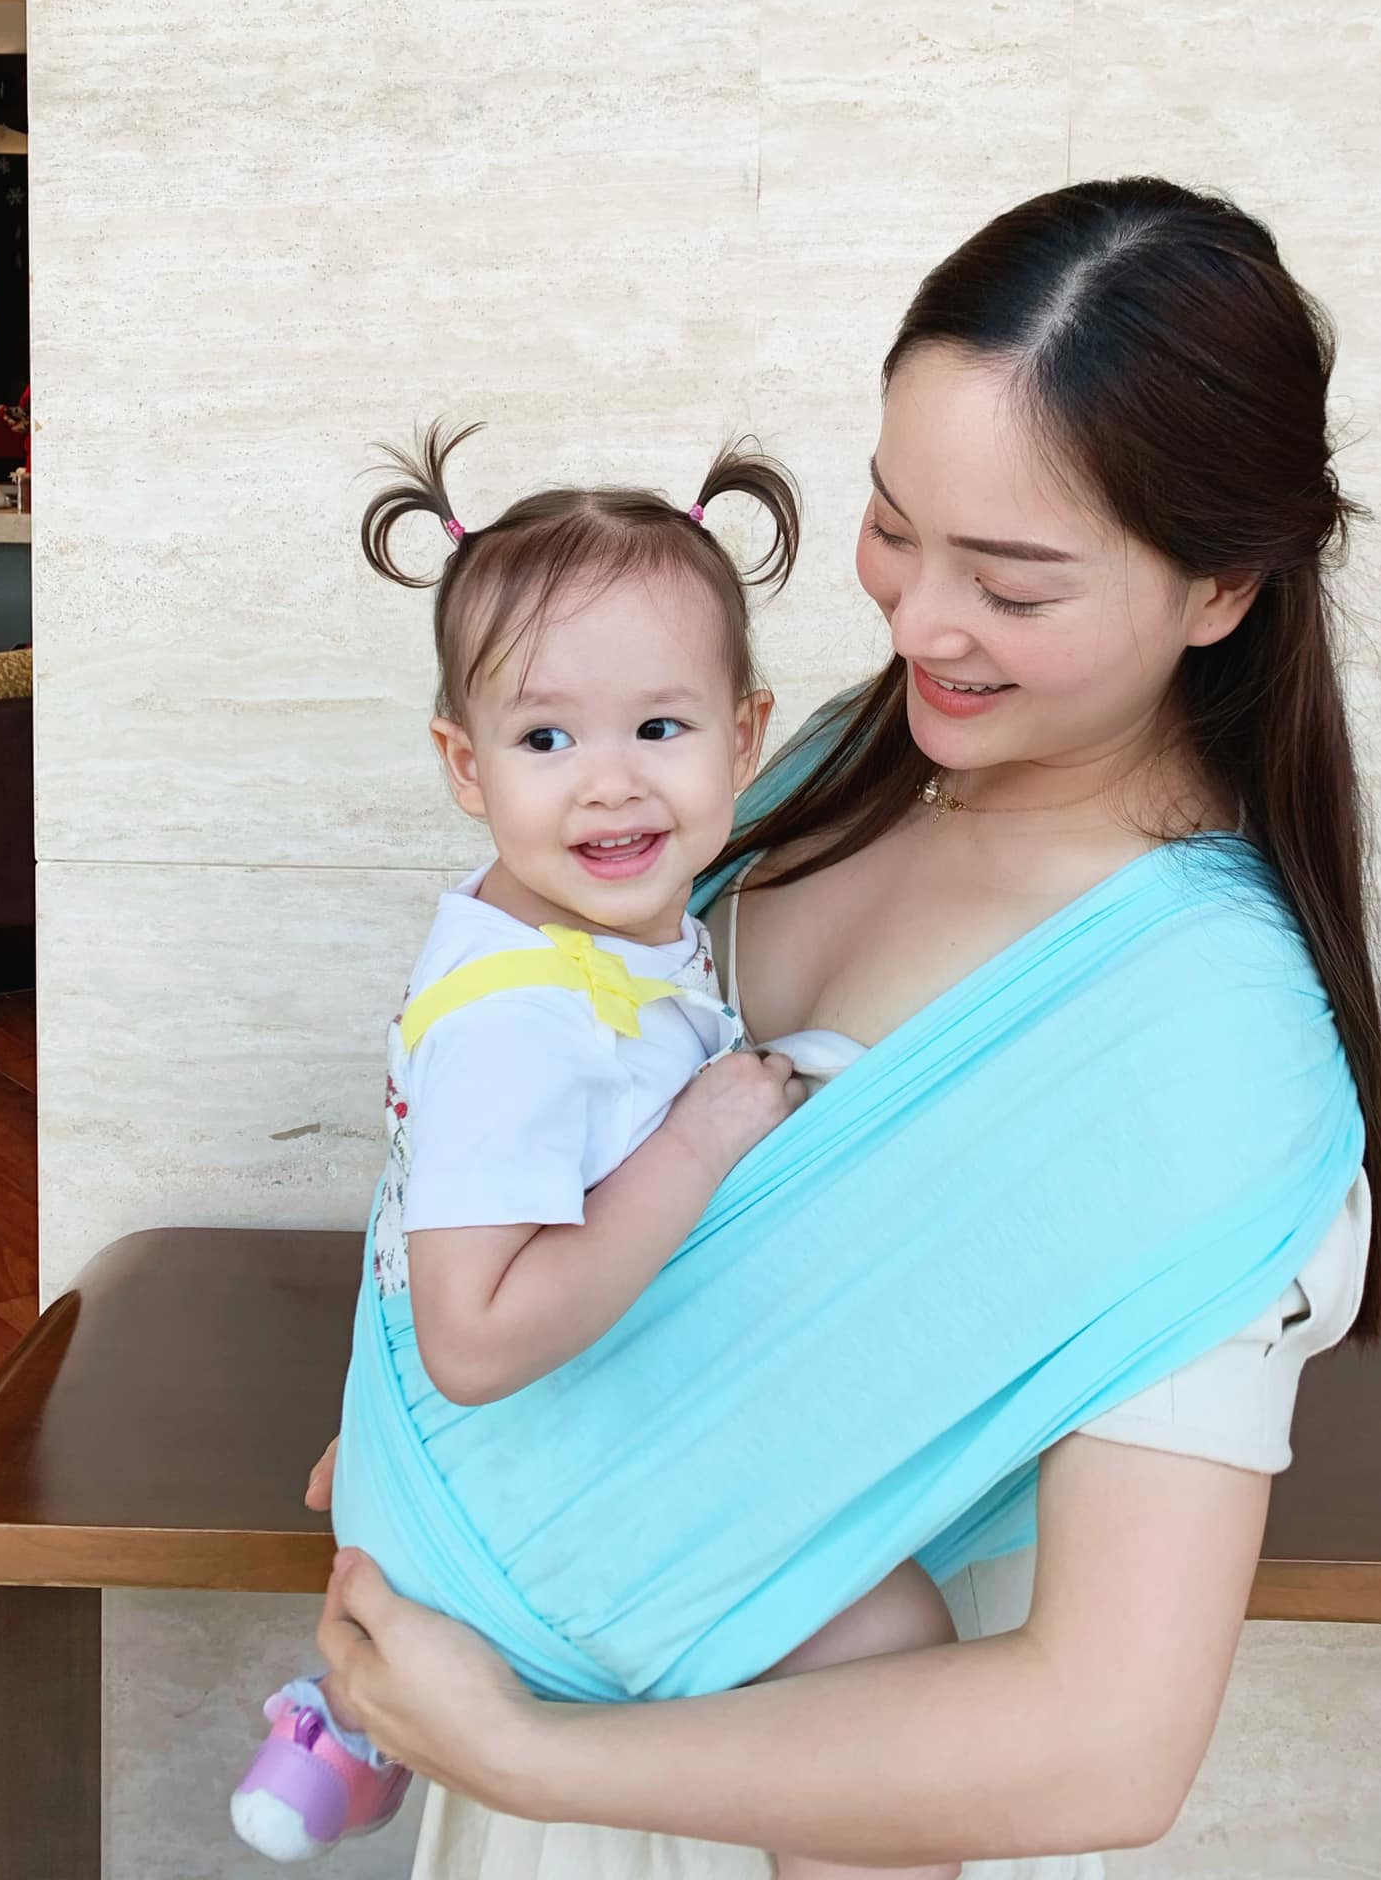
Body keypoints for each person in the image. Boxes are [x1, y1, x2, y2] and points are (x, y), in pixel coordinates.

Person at [312, 176, 1381, 1880]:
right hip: (522, 1720)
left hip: (810, 1801)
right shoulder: (816, 767)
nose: (918, 621)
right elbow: (537, 1129)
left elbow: (1106, 1741)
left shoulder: (1202, 1045)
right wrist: (440, 1451)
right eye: (896, 526)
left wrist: (530, 1751)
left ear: (1220, 588)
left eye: (1012, 585)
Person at [232, 434, 959, 1875]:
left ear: (745, 738)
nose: (610, 786)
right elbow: (476, 1337)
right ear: (465, 764)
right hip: (506, 1492)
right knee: (894, 1647)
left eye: (660, 728)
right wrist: (700, 1138)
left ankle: (355, 1723)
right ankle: (388, 1696)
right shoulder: (522, 1020)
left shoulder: (583, 942)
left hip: (469, 1458)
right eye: (546, 740)